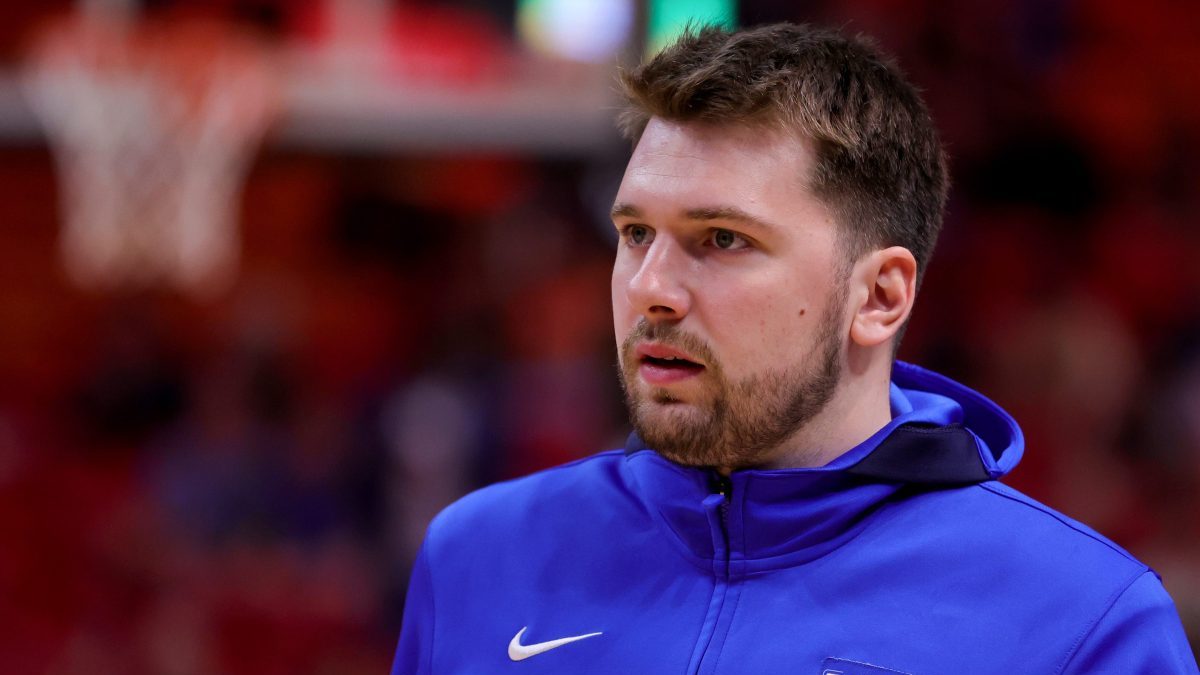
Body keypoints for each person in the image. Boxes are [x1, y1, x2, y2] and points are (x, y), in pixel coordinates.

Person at [391, 23, 1198, 674]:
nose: (651, 287)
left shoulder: (1082, 621)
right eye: (635, 233)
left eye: (722, 238)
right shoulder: (477, 557)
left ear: (879, 296)